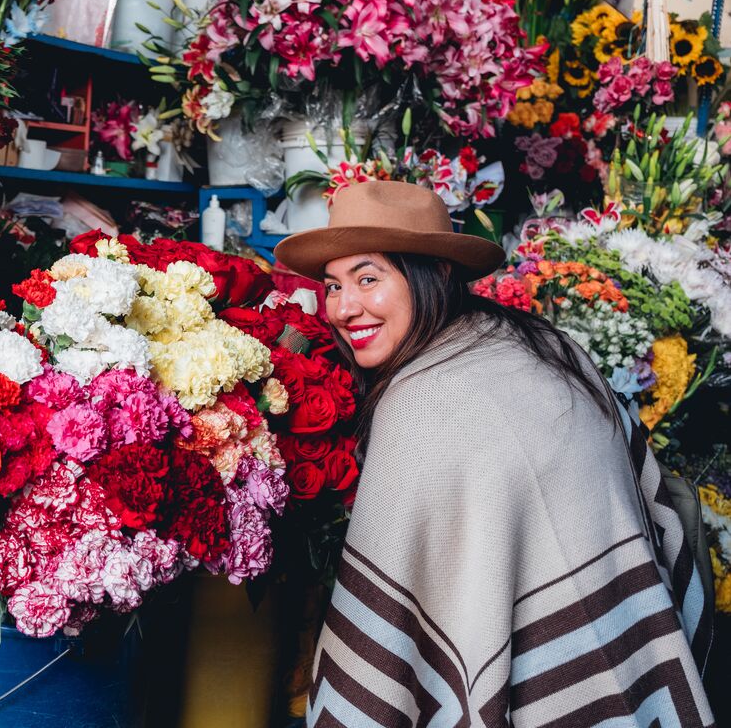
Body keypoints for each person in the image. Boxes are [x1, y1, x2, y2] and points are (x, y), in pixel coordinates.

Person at [273, 180, 714, 727]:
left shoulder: (422, 400)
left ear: (430, 275)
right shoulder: (542, 343)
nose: (343, 308)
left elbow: (386, 648)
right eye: (333, 286)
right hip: (637, 652)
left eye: (368, 278)